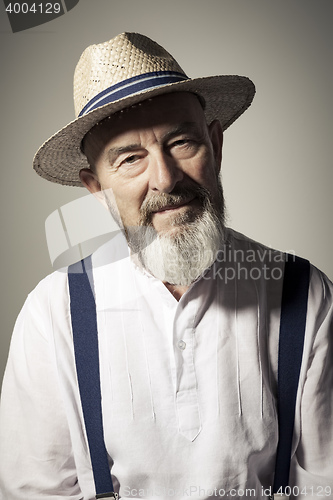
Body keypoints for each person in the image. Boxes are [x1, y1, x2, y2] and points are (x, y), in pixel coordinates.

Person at [0, 32, 332, 500]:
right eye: (131, 158)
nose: (166, 178)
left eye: (181, 143)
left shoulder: (305, 294)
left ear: (215, 145)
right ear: (96, 189)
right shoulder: (52, 315)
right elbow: (34, 492)